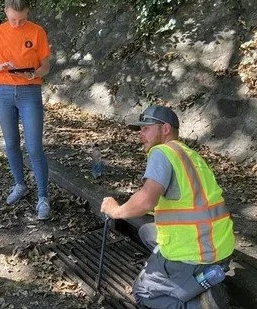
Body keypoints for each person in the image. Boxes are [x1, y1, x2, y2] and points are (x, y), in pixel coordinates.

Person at [100, 105, 235, 309]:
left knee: (143, 293)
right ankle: (200, 279)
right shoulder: (190, 155)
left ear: (165, 129)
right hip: (221, 247)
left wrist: (115, 210)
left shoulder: (161, 152)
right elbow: (185, 200)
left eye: (146, 128)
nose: (140, 134)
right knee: (147, 231)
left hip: (197, 254)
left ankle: (201, 302)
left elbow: (146, 201)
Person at [0, 0, 51, 220]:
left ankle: (43, 196)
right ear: (5, 13)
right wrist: (2, 67)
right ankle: (19, 184)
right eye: (13, 20)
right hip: (3, 91)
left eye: (21, 20)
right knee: (11, 142)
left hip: (29, 90)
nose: (17, 25)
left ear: (28, 14)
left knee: (34, 146)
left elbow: (45, 65)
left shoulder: (37, 32)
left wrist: (32, 74)